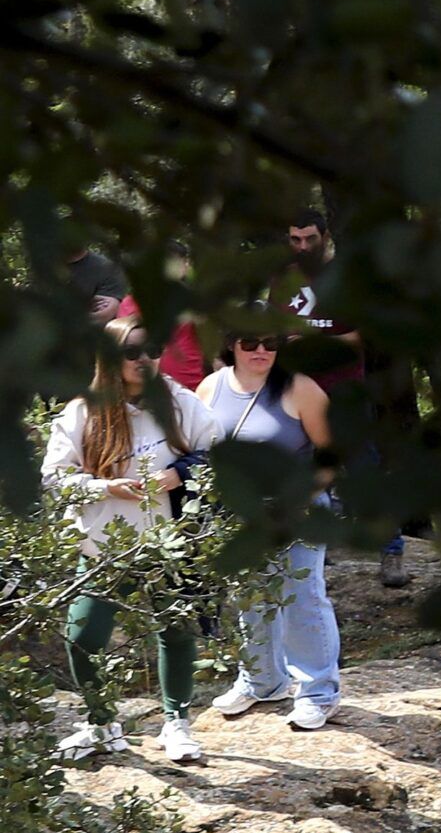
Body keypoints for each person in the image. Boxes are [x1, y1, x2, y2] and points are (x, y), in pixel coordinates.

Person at [45, 322, 212, 764]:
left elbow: (220, 453)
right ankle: (102, 723)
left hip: (168, 545)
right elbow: (55, 477)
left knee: (175, 631)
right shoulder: (83, 410)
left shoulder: (180, 402)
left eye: (153, 348)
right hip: (103, 548)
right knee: (82, 637)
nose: (145, 359)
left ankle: (177, 722)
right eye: (133, 350)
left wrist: (178, 474)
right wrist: (106, 488)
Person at [198, 329, 345, 731]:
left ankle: (318, 692)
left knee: (302, 597)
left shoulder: (300, 387)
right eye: (250, 342)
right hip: (240, 514)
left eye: (271, 343)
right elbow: (199, 445)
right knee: (250, 598)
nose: (261, 350)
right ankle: (262, 682)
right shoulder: (211, 386)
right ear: (231, 344)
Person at [279, 206, 410, 593]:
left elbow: (356, 341)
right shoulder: (283, 280)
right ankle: (315, 548)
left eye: (310, 239)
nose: (303, 246)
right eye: (295, 239)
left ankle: (392, 549)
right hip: (297, 392)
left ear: (325, 237)